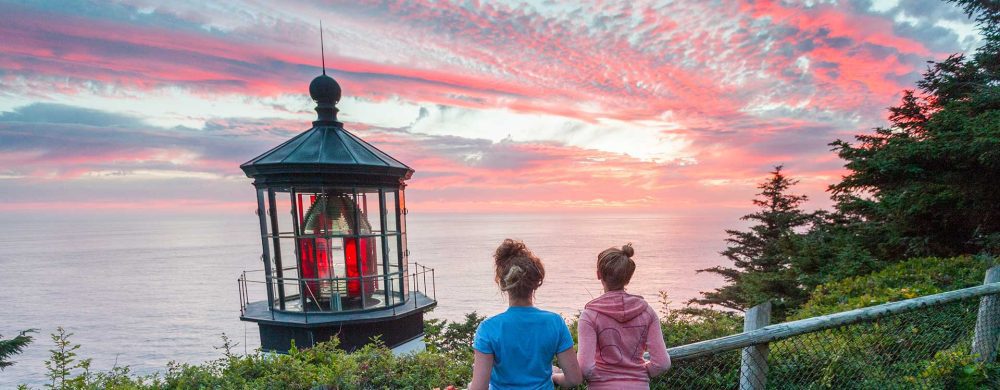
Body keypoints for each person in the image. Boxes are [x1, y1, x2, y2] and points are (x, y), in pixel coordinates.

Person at [470, 239, 582, 390]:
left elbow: (479, 388)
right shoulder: (555, 322)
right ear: (536, 282)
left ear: (503, 284)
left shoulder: (488, 329)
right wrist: (554, 376)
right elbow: (574, 379)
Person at [577, 244, 671, 389]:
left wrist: (601, 378)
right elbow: (662, 363)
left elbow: (585, 368)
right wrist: (641, 373)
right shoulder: (647, 312)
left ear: (598, 274)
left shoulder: (590, 315)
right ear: (628, 278)